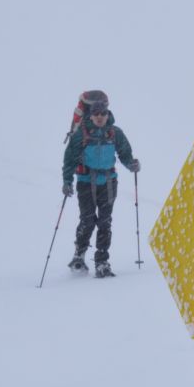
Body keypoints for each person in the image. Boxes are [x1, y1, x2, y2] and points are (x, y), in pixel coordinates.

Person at [61, 90, 140, 278]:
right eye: (95, 114)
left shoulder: (115, 133)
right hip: (85, 182)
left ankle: (102, 261)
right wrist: (66, 181)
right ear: (90, 114)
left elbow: (125, 155)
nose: (99, 117)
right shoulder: (81, 134)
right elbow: (69, 160)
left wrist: (132, 165)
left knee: (105, 222)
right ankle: (79, 255)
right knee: (87, 220)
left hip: (109, 182)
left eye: (102, 114)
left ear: (107, 114)